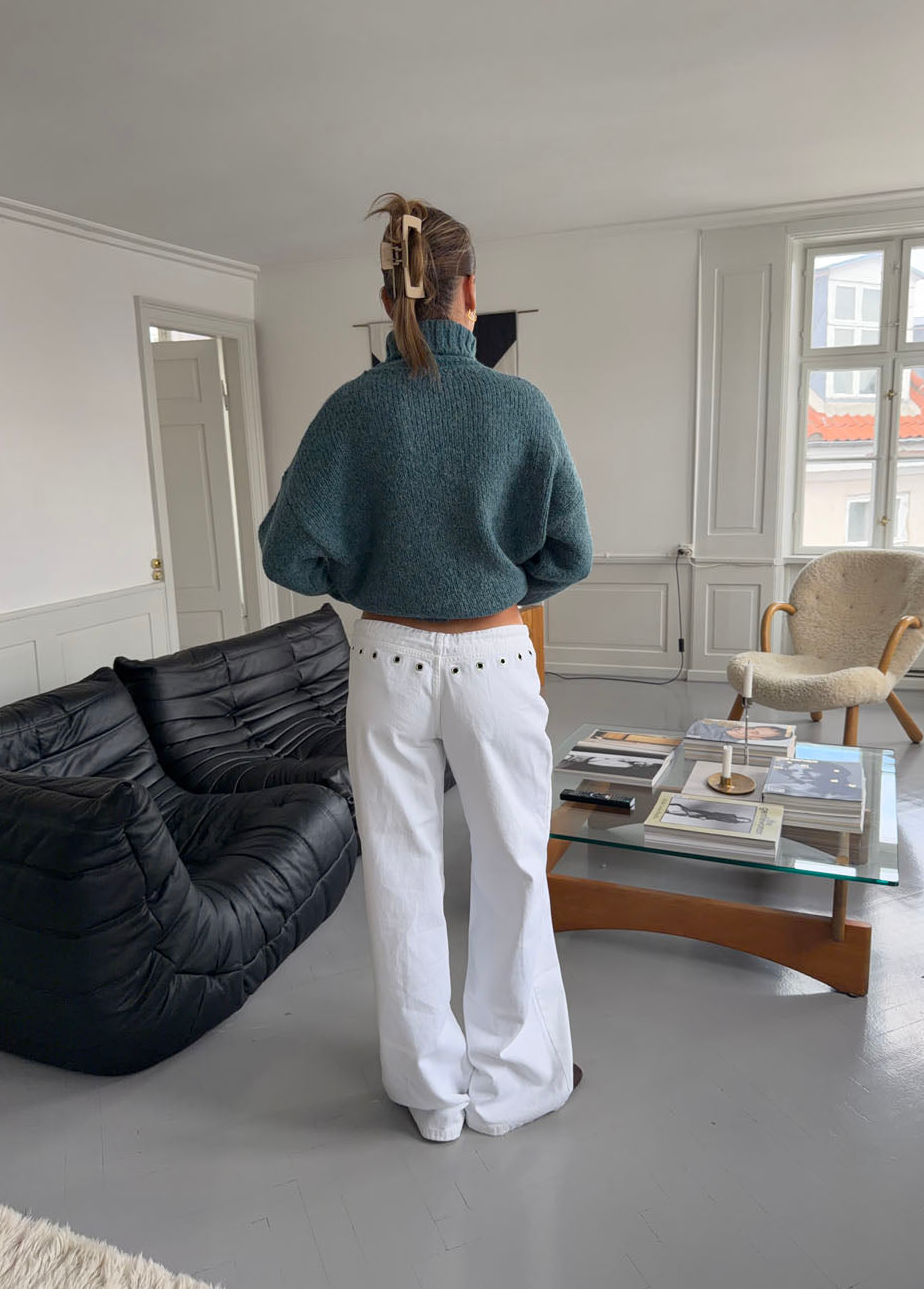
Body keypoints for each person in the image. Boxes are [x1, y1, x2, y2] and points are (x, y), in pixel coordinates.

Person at [259, 194, 593, 1142]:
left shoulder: (350, 409)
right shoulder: (519, 404)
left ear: (385, 297)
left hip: (386, 659)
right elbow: (570, 552)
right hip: (494, 657)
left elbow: (286, 554)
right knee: (513, 867)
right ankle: (514, 1084)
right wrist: (496, 583)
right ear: (469, 292)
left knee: (401, 877)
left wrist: (370, 572)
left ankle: (431, 1097)